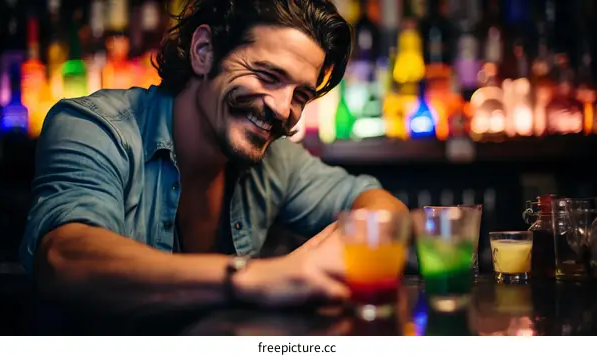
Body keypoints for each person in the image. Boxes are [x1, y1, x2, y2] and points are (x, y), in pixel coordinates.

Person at [20, 0, 407, 312]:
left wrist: (346, 247)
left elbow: (382, 205)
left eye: (301, 95)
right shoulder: (95, 127)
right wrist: (254, 278)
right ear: (204, 51)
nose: (282, 109)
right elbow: (64, 260)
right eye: (268, 76)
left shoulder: (276, 160)